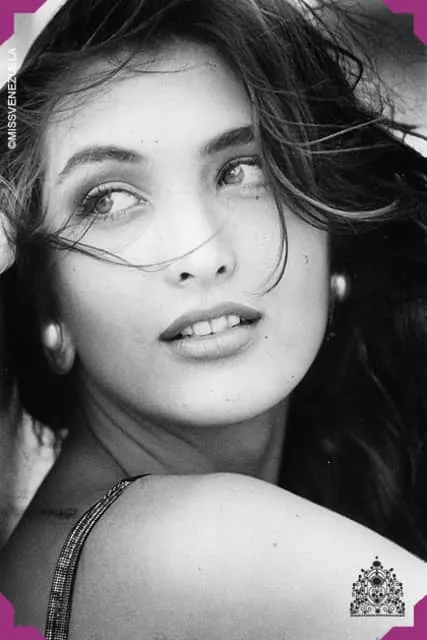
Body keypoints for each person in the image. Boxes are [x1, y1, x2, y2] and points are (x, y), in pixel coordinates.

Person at [0, 0, 426, 637]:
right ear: (49, 305)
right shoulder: (204, 543)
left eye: (244, 170)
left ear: (330, 227)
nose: (202, 256)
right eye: (108, 200)